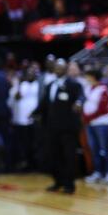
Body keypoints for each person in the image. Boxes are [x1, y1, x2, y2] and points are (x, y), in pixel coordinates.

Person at [35, 59, 84, 193]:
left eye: (60, 67)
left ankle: (69, 185)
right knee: (53, 155)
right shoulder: (51, 85)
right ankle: (58, 182)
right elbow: (44, 103)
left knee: (68, 156)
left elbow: (81, 97)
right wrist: (34, 113)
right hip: (52, 128)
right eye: (56, 67)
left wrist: (79, 103)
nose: (58, 69)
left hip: (68, 128)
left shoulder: (74, 84)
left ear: (66, 69)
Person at [82, 68, 108, 184]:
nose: (86, 79)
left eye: (87, 76)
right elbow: (85, 103)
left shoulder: (103, 89)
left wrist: (88, 117)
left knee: (105, 149)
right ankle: (98, 172)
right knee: (94, 149)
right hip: (90, 124)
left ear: (93, 76)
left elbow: (103, 109)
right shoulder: (87, 89)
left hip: (102, 123)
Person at [7, 65, 40, 172]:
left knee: (34, 143)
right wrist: (19, 86)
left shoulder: (38, 85)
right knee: (23, 144)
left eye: (32, 73)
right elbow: (13, 100)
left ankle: (34, 163)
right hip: (20, 120)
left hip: (35, 118)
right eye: (28, 73)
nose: (30, 75)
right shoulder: (21, 85)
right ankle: (24, 162)